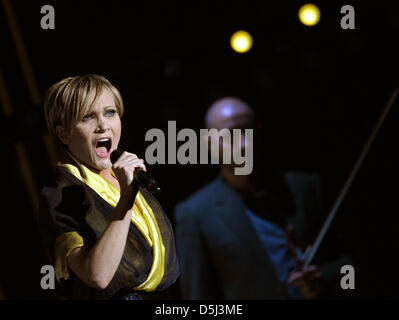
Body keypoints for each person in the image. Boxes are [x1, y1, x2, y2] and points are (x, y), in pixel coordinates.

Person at [174, 97, 352, 299]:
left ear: (259, 131)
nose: (242, 144)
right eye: (230, 135)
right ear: (209, 142)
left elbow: (353, 268)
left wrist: (324, 278)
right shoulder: (196, 213)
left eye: (248, 132)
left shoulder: (307, 188)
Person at [38, 74, 179, 300]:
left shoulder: (127, 177)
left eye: (110, 113)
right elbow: (98, 275)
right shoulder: (61, 194)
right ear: (63, 134)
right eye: (87, 117)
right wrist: (126, 199)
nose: (103, 125)